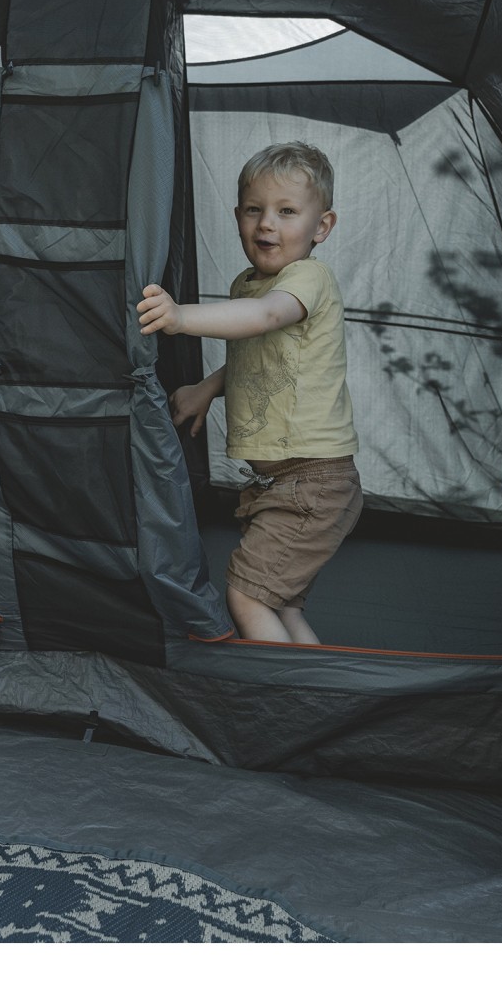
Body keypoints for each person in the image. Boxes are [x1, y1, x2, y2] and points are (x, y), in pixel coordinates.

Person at [137, 141, 361, 645]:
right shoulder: (246, 283)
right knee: (279, 604)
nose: (267, 224)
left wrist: (180, 317)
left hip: (312, 480)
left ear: (322, 226)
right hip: (284, 481)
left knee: (247, 597)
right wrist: (206, 389)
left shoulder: (308, 277)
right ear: (237, 216)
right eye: (254, 210)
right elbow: (261, 356)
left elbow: (265, 318)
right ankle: (319, 683)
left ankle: (276, 689)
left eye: (287, 212)